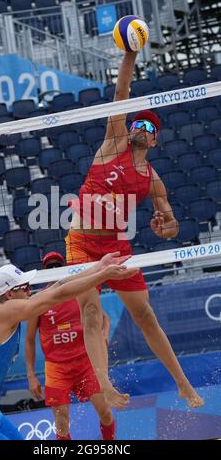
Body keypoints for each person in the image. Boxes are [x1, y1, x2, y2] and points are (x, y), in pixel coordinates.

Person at [65, 51, 204, 409]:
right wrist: (130, 52)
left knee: (145, 316)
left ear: (155, 141)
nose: (141, 129)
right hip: (81, 242)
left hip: (117, 248)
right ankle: (105, 384)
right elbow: (121, 92)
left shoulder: (152, 179)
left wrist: (165, 228)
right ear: (130, 130)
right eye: (138, 125)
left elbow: (171, 225)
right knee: (91, 314)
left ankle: (184, 385)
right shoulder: (113, 144)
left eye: (149, 128)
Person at [0, 253, 137, 440]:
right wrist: (104, 276)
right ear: (9, 294)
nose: (30, 291)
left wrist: (98, 267)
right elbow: (57, 295)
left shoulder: (1, 313)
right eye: (25, 287)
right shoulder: (3, 312)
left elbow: (58, 286)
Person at [25, 251, 115, 441]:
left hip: (85, 361)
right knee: (62, 423)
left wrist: (104, 334)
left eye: (58, 265)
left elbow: (104, 318)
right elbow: (29, 340)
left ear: (64, 267)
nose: (54, 269)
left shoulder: (78, 292)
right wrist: (31, 375)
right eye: (50, 267)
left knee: (106, 413)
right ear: (45, 271)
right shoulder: (40, 299)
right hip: (57, 368)